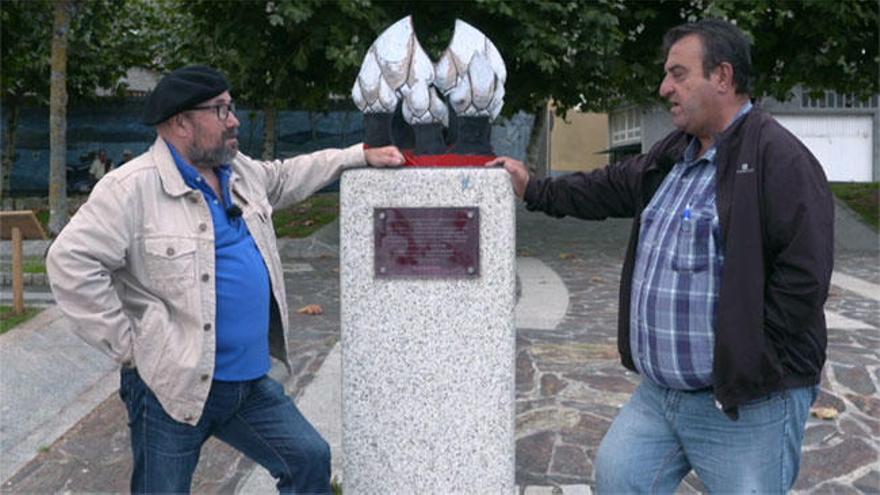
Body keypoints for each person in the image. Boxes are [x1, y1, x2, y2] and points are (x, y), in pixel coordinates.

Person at [488, 19, 833, 493]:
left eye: (678, 74)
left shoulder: (779, 157)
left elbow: (804, 280)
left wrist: (749, 363)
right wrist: (533, 189)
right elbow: (608, 188)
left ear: (723, 77)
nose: (664, 87)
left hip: (742, 402)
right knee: (619, 478)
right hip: (661, 396)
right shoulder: (677, 152)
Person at [47, 65, 404, 494]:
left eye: (230, 107)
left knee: (309, 459)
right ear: (181, 122)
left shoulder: (240, 173)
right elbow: (69, 262)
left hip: (248, 385)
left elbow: (288, 175)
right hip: (171, 389)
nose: (233, 120)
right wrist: (131, 344)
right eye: (220, 110)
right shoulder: (130, 189)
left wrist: (357, 155)